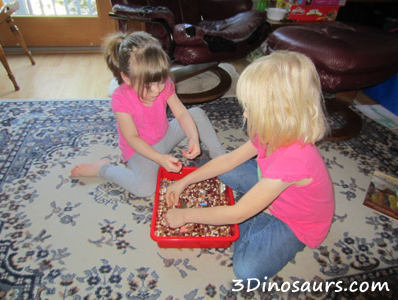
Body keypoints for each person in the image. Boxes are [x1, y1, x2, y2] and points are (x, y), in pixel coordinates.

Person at [165, 51, 335, 282]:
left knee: (246, 270)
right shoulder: (270, 130)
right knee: (219, 167)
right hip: (275, 189)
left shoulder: (294, 159)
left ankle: (258, 211)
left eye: (251, 108)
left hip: (295, 223)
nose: (245, 113)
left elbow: (238, 213)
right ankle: (256, 205)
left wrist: (185, 216)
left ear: (279, 114)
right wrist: (184, 181)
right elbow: (227, 160)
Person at [71, 31, 225, 197]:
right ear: (127, 78)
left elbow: (181, 113)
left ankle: (220, 157)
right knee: (144, 189)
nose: (157, 90)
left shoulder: (164, 83)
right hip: (140, 149)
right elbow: (132, 138)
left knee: (196, 113)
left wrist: (193, 137)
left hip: (165, 135)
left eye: (160, 82)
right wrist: (160, 158)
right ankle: (103, 169)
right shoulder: (120, 99)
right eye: (148, 85)